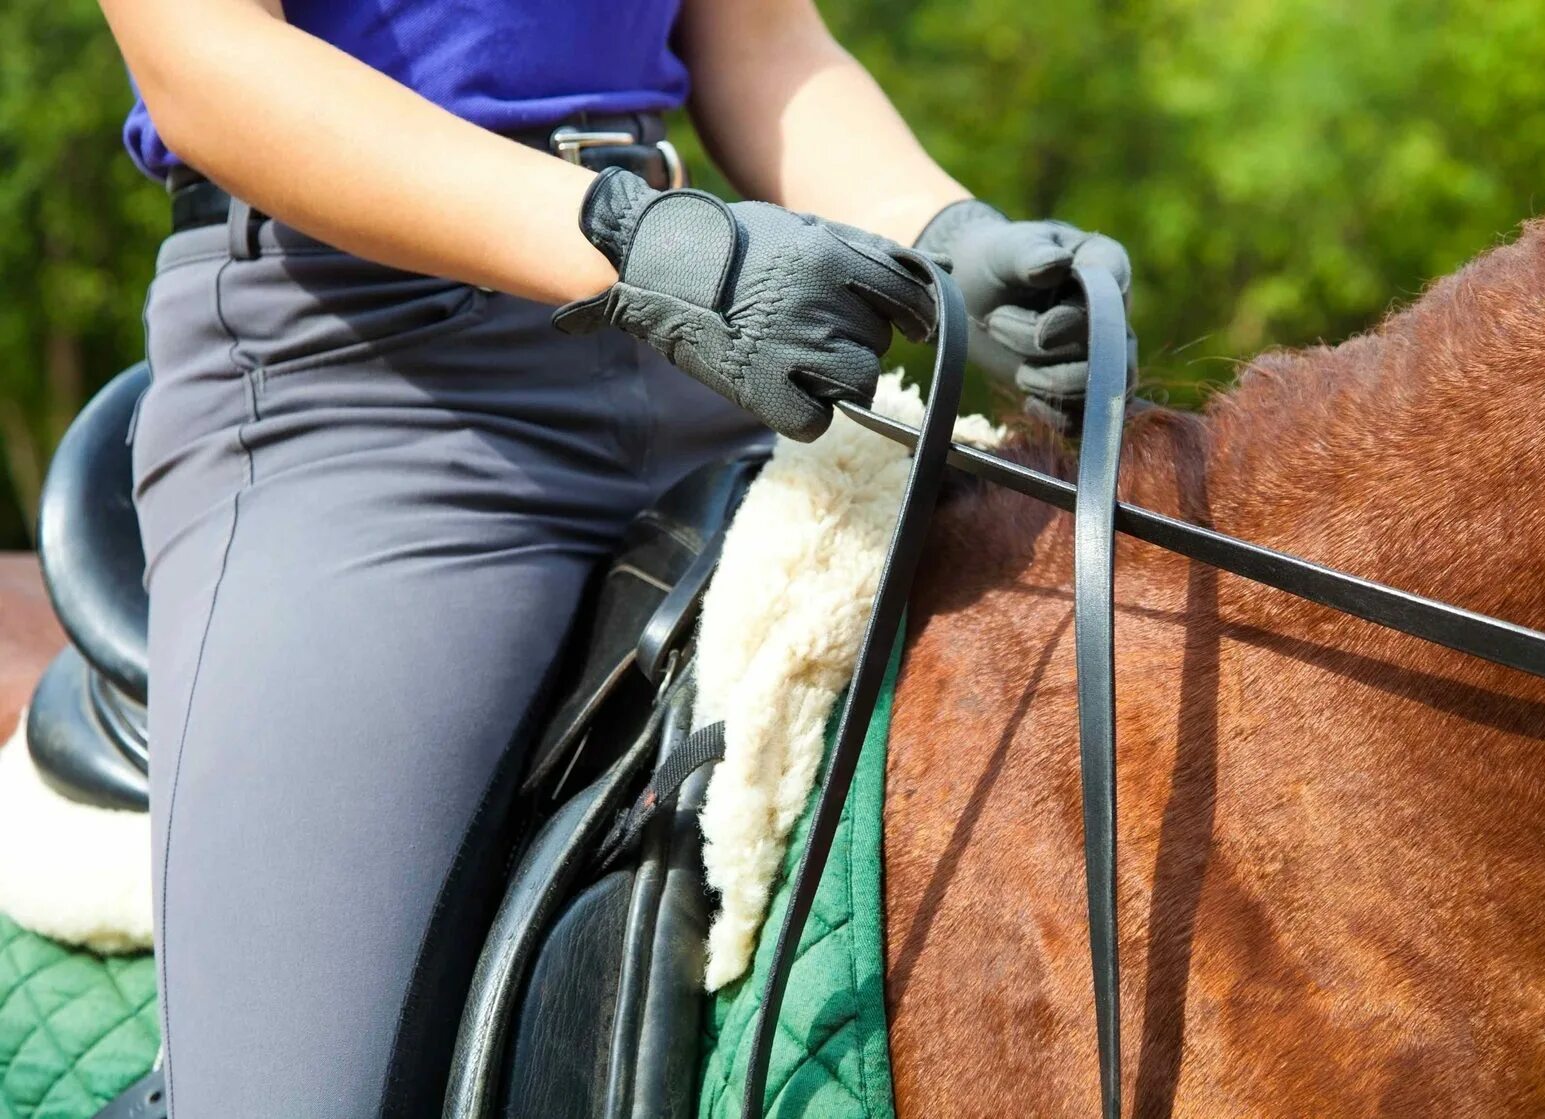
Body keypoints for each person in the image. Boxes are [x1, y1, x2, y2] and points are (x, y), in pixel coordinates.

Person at [96, 0, 1131, 1114]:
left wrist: (943, 238)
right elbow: (204, 61)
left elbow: (761, 41)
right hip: (360, 374)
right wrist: (634, 239)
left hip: (701, 330)